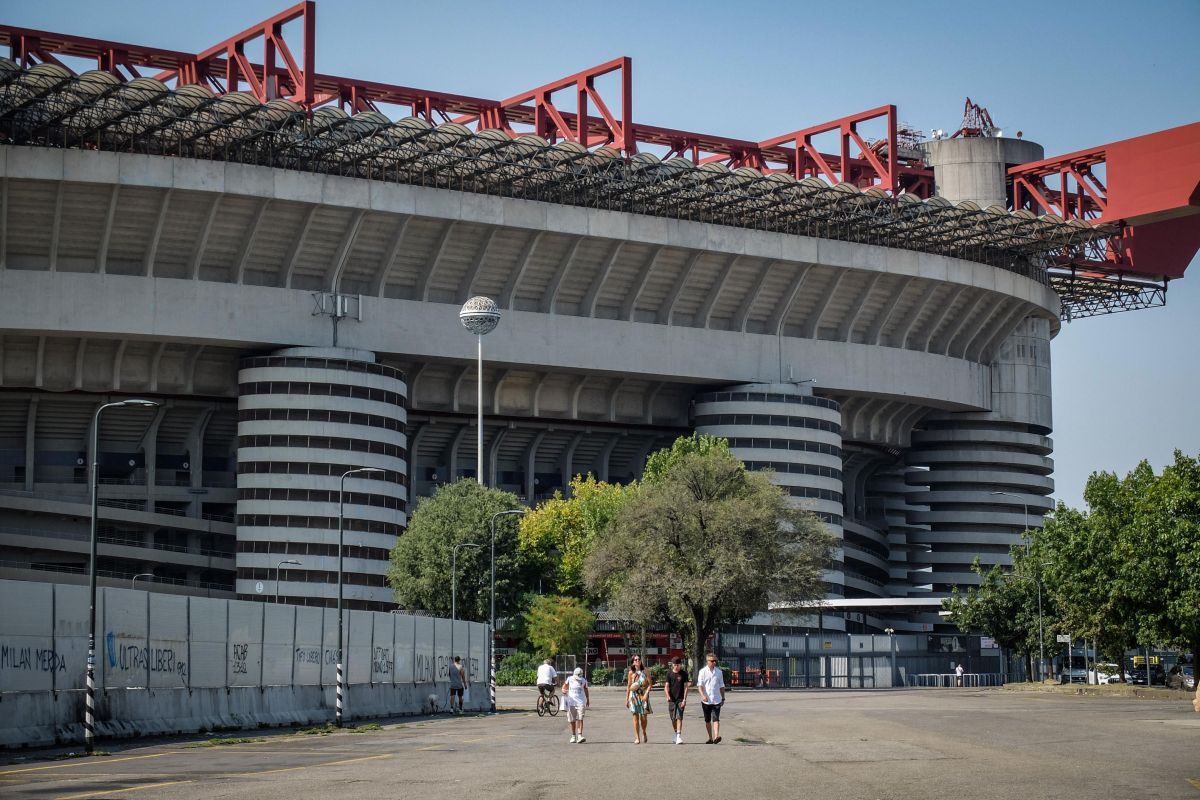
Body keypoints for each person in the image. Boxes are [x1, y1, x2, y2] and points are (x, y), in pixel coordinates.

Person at [696, 652, 726, 744]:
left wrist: (723, 698)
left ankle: (716, 736)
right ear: (707, 661)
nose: (714, 663)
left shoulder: (719, 672)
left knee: (716, 718)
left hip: (716, 700)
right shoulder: (702, 672)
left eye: (715, 661)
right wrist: (702, 695)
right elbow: (700, 685)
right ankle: (710, 737)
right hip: (706, 701)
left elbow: (722, 686)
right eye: (712, 661)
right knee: (708, 720)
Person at [663, 656, 691, 745]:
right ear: (672, 665)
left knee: (679, 717)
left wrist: (684, 700)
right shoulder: (669, 674)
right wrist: (667, 696)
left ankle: (679, 736)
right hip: (671, 699)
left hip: (680, 699)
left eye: (678, 665)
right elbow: (666, 687)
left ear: (680, 665)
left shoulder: (684, 674)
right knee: (673, 718)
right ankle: (675, 733)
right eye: (675, 665)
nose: (676, 667)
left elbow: (686, 687)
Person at [625, 654, 652, 744]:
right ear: (633, 662)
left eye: (639, 659)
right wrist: (627, 699)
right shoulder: (631, 673)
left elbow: (650, 685)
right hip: (633, 697)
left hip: (643, 695)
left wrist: (646, 694)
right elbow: (629, 686)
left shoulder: (646, 671)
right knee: (635, 717)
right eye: (635, 660)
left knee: (644, 717)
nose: (637, 661)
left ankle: (644, 732)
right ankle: (637, 737)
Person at [563, 666, 590, 743]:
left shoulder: (584, 681)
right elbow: (564, 687)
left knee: (580, 718)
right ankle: (573, 735)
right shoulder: (569, 679)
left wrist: (588, 699)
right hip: (571, 702)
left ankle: (580, 735)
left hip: (580, 702)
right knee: (572, 720)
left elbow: (586, 689)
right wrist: (564, 690)